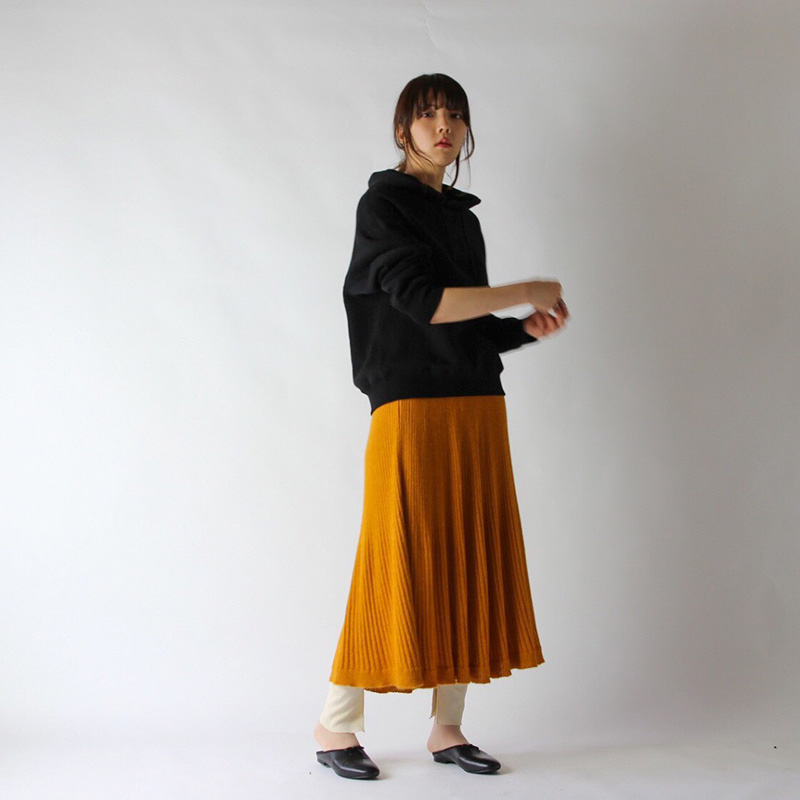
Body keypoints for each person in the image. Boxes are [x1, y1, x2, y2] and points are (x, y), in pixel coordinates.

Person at [313, 73, 569, 781]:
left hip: (475, 400)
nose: (443, 126)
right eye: (428, 115)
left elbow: (466, 324)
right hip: (410, 405)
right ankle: (335, 724)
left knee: (465, 553)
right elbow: (424, 304)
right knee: (392, 556)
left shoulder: (462, 219)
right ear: (403, 130)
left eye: (454, 114)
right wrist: (524, 289)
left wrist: (523, 329)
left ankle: (447, 727)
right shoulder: (383, 205)